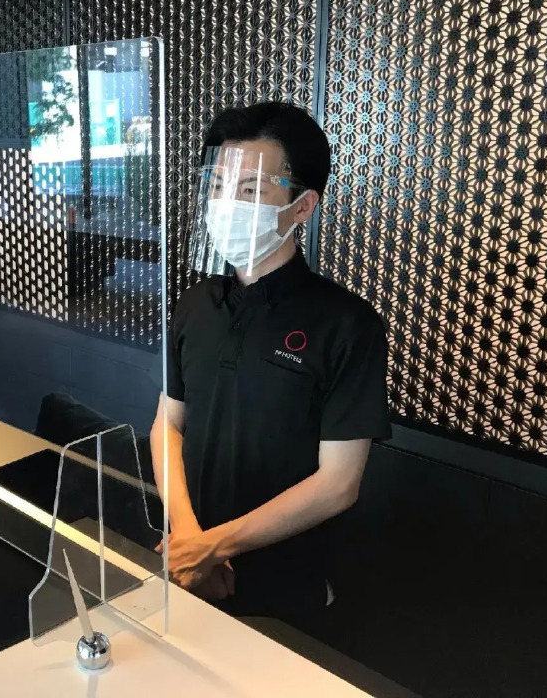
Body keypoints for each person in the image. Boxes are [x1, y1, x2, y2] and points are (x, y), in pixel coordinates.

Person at [149, 102, 391, 641]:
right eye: (217, 185)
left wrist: (215, 546)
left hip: (286, 591)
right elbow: (168, 423)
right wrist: (189, 537)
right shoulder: (195, 305)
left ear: (302, 206)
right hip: (187, 566)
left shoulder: (346, 325)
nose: (226, 204)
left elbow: (338, 484)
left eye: (251, 189)